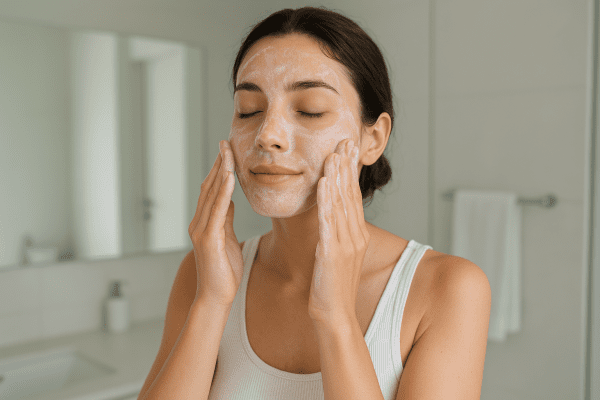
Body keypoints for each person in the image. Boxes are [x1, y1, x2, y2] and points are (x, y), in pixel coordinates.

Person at [139, 6, 491, 400]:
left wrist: (337, 317)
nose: (267, 135)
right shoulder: (204, 274)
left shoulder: (447, 288)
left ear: (373, 139)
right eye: (248, 110)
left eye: (310, 110)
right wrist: (211, 303)